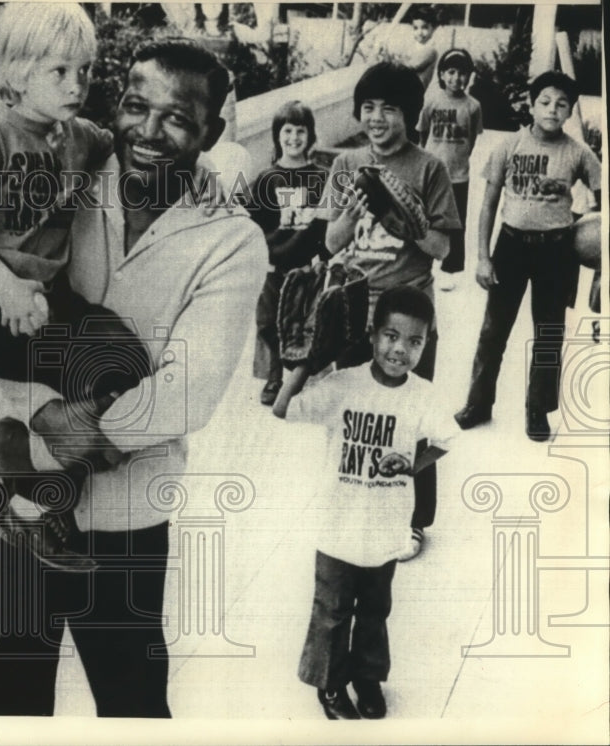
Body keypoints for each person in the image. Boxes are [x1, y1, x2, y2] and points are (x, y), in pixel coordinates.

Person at [0, 38, 266, 716]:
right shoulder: (64, 176)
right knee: (14, 691)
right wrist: (40, 416)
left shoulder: (233, 239)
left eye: (178, 119)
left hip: (125, 518)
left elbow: (185, 393)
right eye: (135, 107)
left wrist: (36, 445)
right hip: (17, 503)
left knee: (133, 705)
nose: (149, 132)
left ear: (210, 132)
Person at [0, 2, 149, 570]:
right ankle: (30, 502)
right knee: (76, 383)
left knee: (128, 356)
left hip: (42, 301)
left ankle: (28, 437)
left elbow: (129, 144)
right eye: (60, 71)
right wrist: (6, 286)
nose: (77, 84)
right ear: (19, 70)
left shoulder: (79, 137)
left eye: (85, 71)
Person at [275, 286, 457, 720]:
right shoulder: (344, 385)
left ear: (426, 345)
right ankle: (331, 685)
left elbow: (446, 440)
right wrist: (305, 362)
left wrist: (412, 464)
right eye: (391, 336)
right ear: (373, 335)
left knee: (375, 610)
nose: (401, 349)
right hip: (338, 526)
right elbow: (283, 409)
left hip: (386, 527)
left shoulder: (423, 394)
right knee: (332, 611)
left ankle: (367, 676)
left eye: (415, 341)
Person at [319, 61, 461, 561]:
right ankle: (356, 506)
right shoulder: (344, 166)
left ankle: (416, 520)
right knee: (354, 419)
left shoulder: (429, 168)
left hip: (408, 314)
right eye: (368, 107)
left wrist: (408, 222)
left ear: (410, 114)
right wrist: (352, 214)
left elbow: (443, 248)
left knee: (411, 418)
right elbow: (332, 241)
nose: (376, 118)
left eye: (390, 108)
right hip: (355, 309)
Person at [454, 71, 602, 441]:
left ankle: (538, 409)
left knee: (549, 333)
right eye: (545, 101)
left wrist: (597, 244)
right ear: (531, 105)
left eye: (562, 103)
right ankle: (478, 402)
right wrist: (483, 258)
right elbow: (488, 206)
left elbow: (603, 194)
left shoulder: (577, 152)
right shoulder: (509, 145)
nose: (553, 109)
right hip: (512, 247)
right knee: (493, 330)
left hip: (557, 251)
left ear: (569, 111)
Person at [246, 100, 328, 406]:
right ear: (277, 135)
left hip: (307, 266)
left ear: (310, 135)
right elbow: (252, 224)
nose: (294, 138)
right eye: (287, 130)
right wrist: (259, 257)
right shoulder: (267, 179)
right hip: (272, 264)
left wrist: (324, 258)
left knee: (303, 322)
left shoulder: (321, 177)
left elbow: (326, 224)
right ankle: (274, 375)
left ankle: (299, 376)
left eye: (301, 131)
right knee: (268, 323)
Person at [417, 48, 483, 290]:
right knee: (425, 218)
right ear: (442, 75)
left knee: (455, 223)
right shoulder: (432, 101)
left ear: (470, 76)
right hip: (432, 174)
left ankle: (451, 269)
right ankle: (420, 262)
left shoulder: (473, 106)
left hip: (458, 176)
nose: (457, 78)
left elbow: (472, 138)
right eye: (451, 72)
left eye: (463, 73)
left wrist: (460, 160)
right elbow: (422, 133)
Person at [406, 6, 439, 91]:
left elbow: (413, 66)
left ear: (434, 28)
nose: (419, 33)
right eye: (415, 28)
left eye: (425, 27)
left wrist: (394, 61)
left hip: (416, 90)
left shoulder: (431, 49)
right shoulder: (415, 46)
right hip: (408, 86)